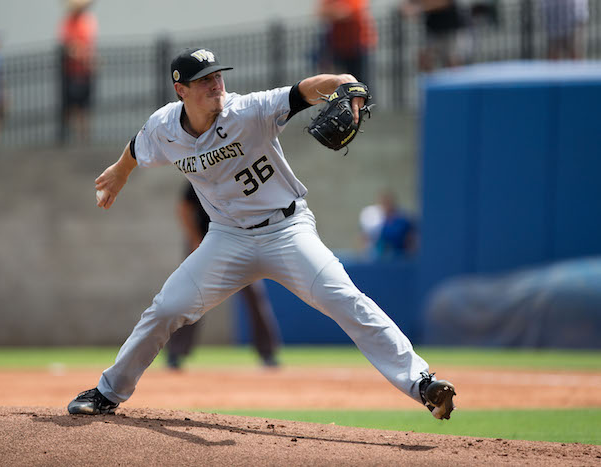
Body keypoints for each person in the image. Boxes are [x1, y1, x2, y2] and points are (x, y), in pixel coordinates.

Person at [67, 47, 457, 420]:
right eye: (204, 80)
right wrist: (121, 170)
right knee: (165, 308)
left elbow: (301, 92)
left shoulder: (248, 111)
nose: (216, 84)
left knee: (346, 300)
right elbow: (138, 145)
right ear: (181, 91)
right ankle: (108, 392)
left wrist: (342, 80)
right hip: (227, 238)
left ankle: (422, 383)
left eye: (218, 76)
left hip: (287, 231)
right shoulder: (165, 126)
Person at [166, 182, 281, 369]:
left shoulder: (237, 177)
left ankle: (267, 352)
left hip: (237, 244)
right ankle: (176, 353)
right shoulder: (200, 176)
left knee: (254, 296)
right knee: (190, 298)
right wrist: (195, 239)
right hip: (204, 242)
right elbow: (184, 208)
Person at [58, 0, 98, 142]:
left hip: (84, 70)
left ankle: (83, 137)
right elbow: (67, 45)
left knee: (84, 106)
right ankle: (70, 137)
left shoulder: (88, 21)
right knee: (71, 105)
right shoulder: (68, 22)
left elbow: (87, 45)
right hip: (71, 71)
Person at [316, 0, 378, 83]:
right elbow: (321, 12)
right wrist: (336, 10)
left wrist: (332, 11)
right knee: (339, 82)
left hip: (357, 45)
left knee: (360, 82)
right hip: (338, 46)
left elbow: (347, 11)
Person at [401, 0, 470, 72]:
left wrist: (421, 7)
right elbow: (407, 6)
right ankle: (430, 81)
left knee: (453, 62)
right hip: (433, 29)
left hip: (451, 28)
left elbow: (444, 3)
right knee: (425, 59)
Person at [359, 191, 417, 260]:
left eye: (388, 203)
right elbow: (364, 239)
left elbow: (410, 240)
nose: (386, 206)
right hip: (378, 258)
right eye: (384, 203)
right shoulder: (374, 222)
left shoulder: (403, 221)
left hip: (399, 258)